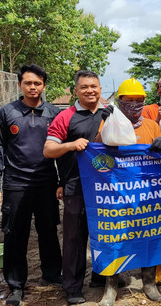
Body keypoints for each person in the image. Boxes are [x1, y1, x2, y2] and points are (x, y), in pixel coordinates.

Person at [0, 64, 62, 306]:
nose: (33, 87)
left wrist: (62, 181)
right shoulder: (7, 113)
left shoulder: (53, 113)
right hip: (16, 184)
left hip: (46, 182)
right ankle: (16, 285)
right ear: (20, 84)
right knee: (15, 235)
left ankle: (52, 275)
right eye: (28, 83)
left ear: (44, 85)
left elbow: (63, 151)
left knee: (49, 231)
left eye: (37, 83)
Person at [95, 78, 161, 305]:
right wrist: (104, 129)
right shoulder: (109, 123)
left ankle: (148, 282)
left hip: (147, 194)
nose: (135, 105)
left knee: (150, 235)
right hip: (117, 193)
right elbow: (96, 153)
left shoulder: (152, 125)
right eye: (129, 100)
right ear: (120, 101)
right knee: (115, 237)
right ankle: (111, 287)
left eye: (139, 100)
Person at [43, 70, 108, 305]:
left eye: (94, 86)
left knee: (105, 233)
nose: (90, 90)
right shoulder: (65, 117)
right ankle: (72, 287)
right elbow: (48, 150)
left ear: (100, 89)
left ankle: (102, 278)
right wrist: (71, 145)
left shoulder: (110, 114)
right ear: (75, 91)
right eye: (84, 87)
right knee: (75, 238)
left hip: (107, 188)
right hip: (76, 186)